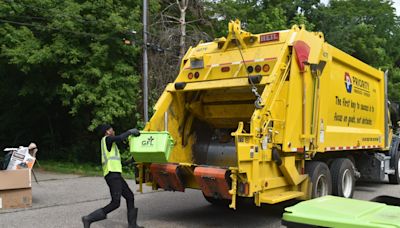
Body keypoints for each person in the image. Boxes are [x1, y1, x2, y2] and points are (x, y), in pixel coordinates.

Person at [82, 124, 143, 228]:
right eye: (112, 129)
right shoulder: (107, 140)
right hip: (112, 175)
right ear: (107, 132)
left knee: (129, 196)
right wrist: (130, 132)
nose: (113, 131)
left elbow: (118, 162)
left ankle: (132, 225)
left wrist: (130, 161)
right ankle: (88, 218)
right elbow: (120, 138)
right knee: (115, 203)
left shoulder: (111, 145)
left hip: (116, 175)